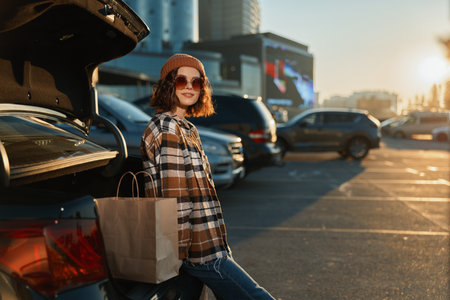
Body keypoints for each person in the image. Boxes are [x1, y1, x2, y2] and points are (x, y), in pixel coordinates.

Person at [141, 53, 275, 300]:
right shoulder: (167, 127)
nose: (190, 87)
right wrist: (177, 256)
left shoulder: (187, 128)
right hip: (198, 252)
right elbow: (175, 197)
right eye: (181, 81)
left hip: (208, 243)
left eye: (197, 82)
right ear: (169, 85)